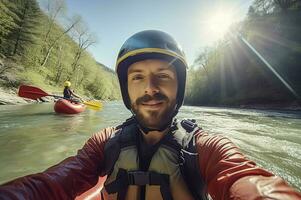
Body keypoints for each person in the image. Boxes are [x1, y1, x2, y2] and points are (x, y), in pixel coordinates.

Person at [0, 30, 300, 200]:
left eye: (163, 77)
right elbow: (52, 183)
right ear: (126, 89)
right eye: (138, 78)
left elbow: (251, 183)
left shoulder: (206, 149)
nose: (150, 89)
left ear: (179, 87)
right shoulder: (106, 142)